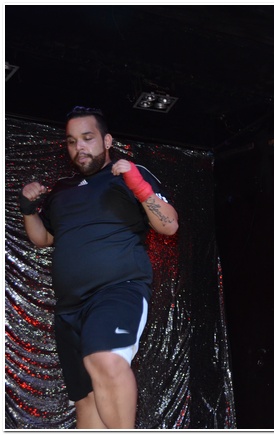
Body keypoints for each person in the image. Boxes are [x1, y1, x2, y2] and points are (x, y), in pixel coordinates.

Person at [19, 106, 179, 429]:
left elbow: (169, 225)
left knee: (105, 358)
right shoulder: (61, 190)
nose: (79, 147)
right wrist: (27, 209)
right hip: (69, 309)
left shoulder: (128, 174)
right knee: (87, 401)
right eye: (72, 141)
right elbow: (44, 238)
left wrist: (138, 186)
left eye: (87, 138)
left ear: (107, 141)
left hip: (117, 292)